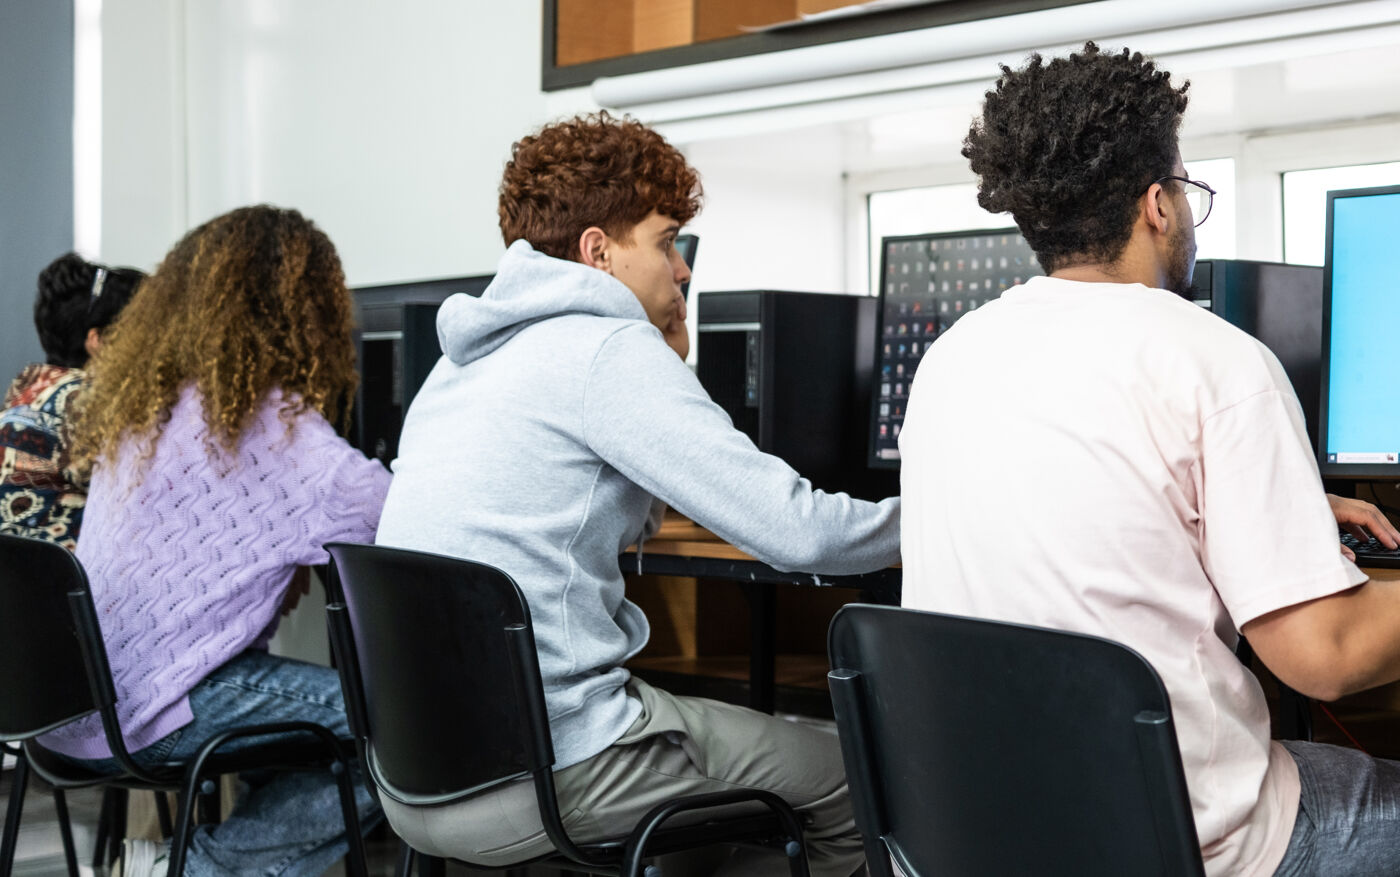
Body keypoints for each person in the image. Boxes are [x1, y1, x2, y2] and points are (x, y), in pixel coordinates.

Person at [899, 42, 1400, 877]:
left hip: (985, 833)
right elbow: (1329, 654)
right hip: (1183, 843)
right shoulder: (1215, 359)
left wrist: (1279, 509)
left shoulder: (951, 357)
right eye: (1186, 187)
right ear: (1157, 205)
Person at [374, 112, 900, 876]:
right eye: (665, 242)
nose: (683, 269)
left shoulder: (457, 363)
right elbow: (801, 534)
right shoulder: (603, 349)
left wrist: (668, 352)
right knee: (850, 776)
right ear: (598, 251)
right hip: (550, 768)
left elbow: (609, 506)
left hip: (420, 777)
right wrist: (934, 514)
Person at [39, 205, 390, 876]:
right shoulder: (275, 426)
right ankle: (190, 870)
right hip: (149, 710)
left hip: (66, 705)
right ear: (301, 311)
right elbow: (399, 519)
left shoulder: (143, 409)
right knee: (403, 724)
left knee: (307, 738)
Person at [0, 253, 143, 549]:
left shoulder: (29, 388)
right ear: (99, 341)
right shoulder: (85, 401)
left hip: (19, 586)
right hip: (66, 584)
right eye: (142, 332)